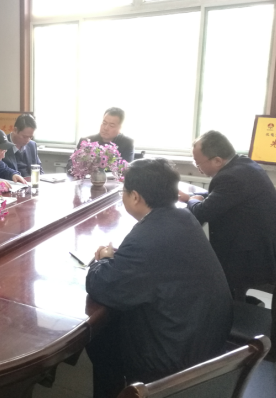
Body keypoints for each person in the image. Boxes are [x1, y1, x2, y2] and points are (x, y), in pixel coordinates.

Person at [86, 158, 232, 398]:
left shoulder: (148, 236)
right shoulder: (184, 218)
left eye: (124, 191)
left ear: (135, 197)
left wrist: (103, 259)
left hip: (173, 357)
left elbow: (101, 286)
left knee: (101, 334)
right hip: (207, 339)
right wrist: (120, 259)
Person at [178, 130, 276, 298]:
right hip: (260, 242)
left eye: (198, 163)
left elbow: (201, 213)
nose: (198, 168)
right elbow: (222, 196)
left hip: (247, 253)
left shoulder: (231, 177)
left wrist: (191, 200)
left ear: (217, 160)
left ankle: (232, 305)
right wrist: (195, 197)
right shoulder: (244, 164)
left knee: (207, 274)